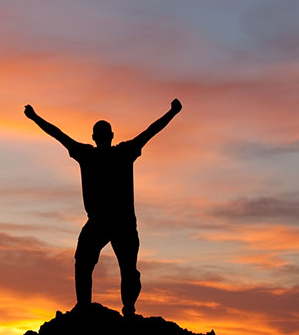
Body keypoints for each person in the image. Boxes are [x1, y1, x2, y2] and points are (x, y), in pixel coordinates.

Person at [24, 99, 182, 316]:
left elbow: (59, 134)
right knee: (86, 262)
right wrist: (35, 118)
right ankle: (86, 309)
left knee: (125, 270)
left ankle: (123, 308)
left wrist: (172, 113)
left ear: (99, 137)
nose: (102, 137)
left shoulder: (106, 153)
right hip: (106, 222)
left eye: (102, 133)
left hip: (119, 223)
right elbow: (150, 131)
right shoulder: (111, 153)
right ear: (109, 136)